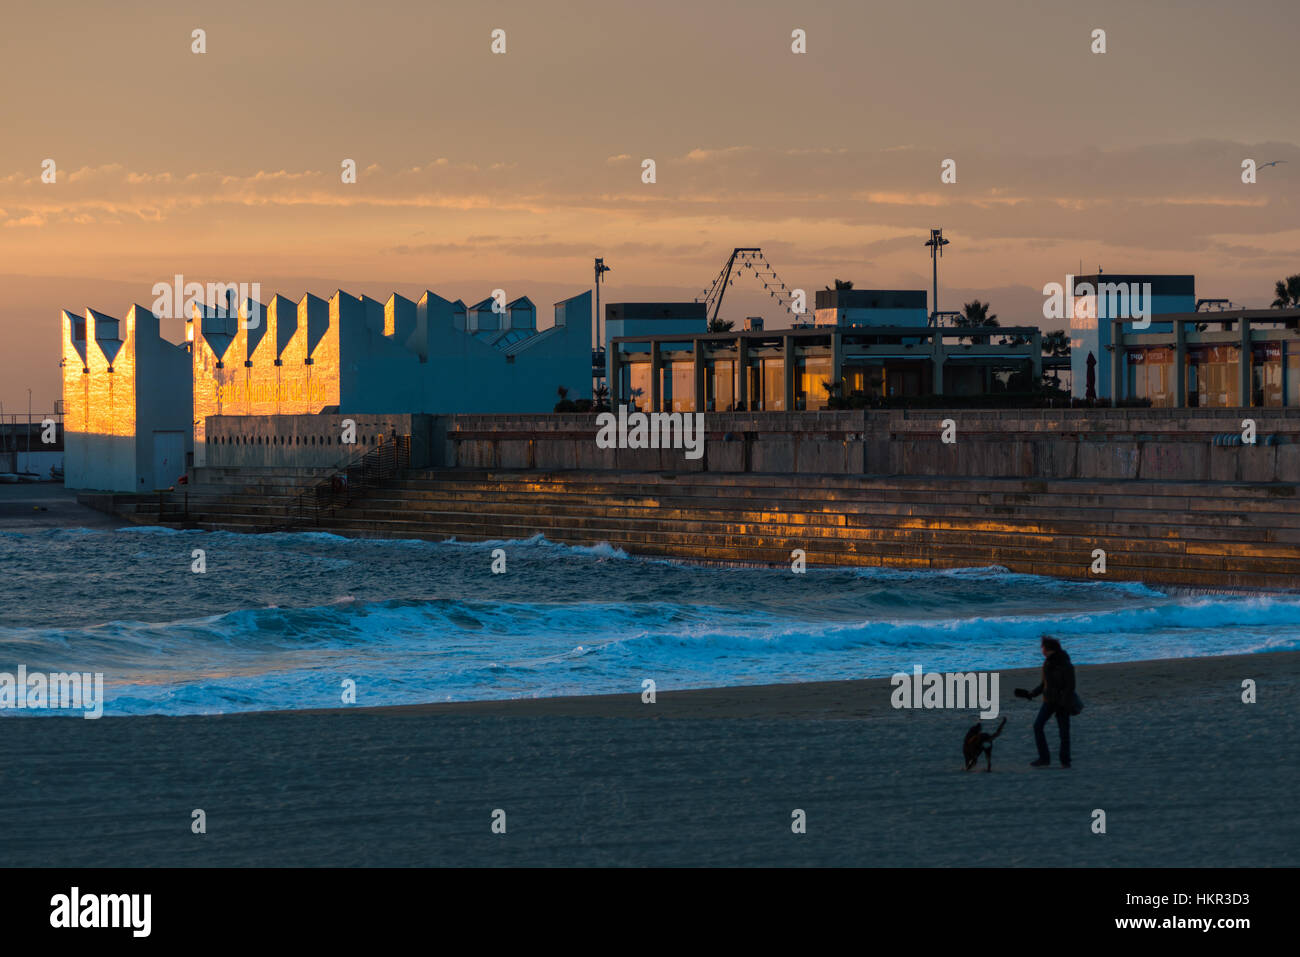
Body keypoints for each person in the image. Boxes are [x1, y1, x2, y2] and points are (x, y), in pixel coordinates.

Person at [1014, 636, 1075, 768]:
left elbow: (1070, 685)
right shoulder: (1047, 663)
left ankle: (1065, 761)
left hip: (1061, 703)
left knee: (1064, 732)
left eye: (1042, 647)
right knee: (1038, 726)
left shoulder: (1064, 663)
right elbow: (1044, 684)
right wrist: (1032, 694)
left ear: (1048, 649)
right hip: (1049, 700)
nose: (1041, 650)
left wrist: (1065, 701)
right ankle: (1044, 758)